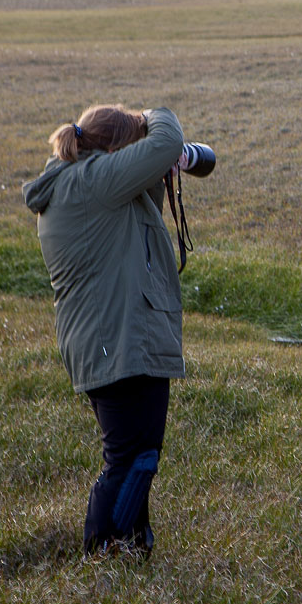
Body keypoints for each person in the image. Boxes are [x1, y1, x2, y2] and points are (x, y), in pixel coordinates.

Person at [22, 104, 187, 558]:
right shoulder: (91, 183)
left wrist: (154, 173)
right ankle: (104, 550)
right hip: (116, 339)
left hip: (111, 336)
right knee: (132, 458)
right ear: (115, 150)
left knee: (135, 453)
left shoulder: (82, 182)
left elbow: (137, 219)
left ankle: (131, 544)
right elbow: (168, 141)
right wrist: (155, 114)